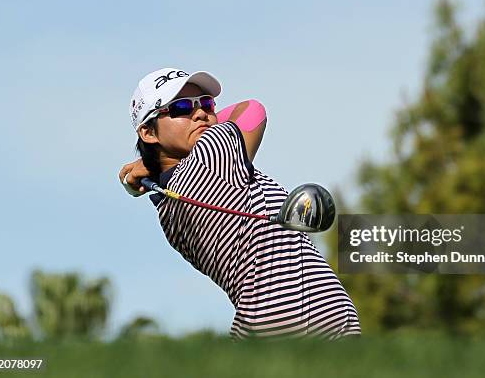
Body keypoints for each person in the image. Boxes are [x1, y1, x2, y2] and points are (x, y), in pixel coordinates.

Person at [119, 67, 361, 340]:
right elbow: (251, 110)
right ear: (148, 133)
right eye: (181, 108)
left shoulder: (166, 208)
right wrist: (149, 164)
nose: (201, 114)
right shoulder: (212, 151)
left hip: (265, 327)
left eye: (207, 103)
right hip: (303, 324)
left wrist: (152, 161)